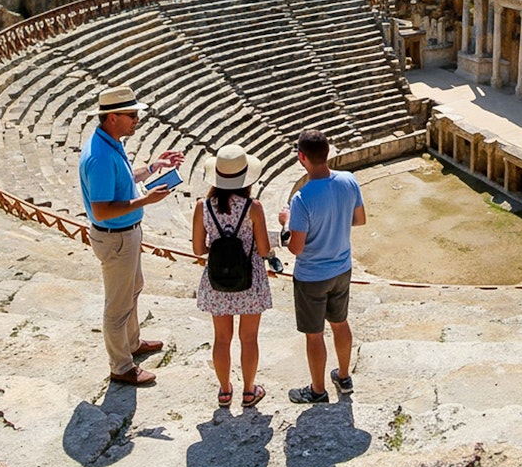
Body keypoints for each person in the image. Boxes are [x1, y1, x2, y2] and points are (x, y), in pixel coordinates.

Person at [80, 85, 184, 386]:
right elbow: (101, 210)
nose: (137, 120)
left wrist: (153, 168)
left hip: (127, 233)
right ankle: (121, 366)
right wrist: (145, 201)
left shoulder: (110, 142)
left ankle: (133, 343)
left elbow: (124, 180)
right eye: (132, 115)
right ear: (112, 117)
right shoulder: (99, 156)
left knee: (133, 289)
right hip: (116, 236)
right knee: (117, 304)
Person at [278, 129, 366, 404]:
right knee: (340, 323)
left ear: (301, 157)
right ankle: (343, 375)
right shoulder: (349, 181)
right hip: (342, 269)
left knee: (314, 335)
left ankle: (317, 391)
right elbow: (359, 219)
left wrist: (286, 223)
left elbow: (296, 248)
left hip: (312, 276)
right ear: (328, 152)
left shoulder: (302, 199)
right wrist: (334, 222)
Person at [191, 144, 274, 408]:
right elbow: (263, 249)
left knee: (221, 338)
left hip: (217, 281)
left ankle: (225, 390)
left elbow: (198, 249)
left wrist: (218, 245)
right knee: (248, 339)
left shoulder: (202, 207)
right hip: (249, 280)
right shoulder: (254, 207)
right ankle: (249, 391)